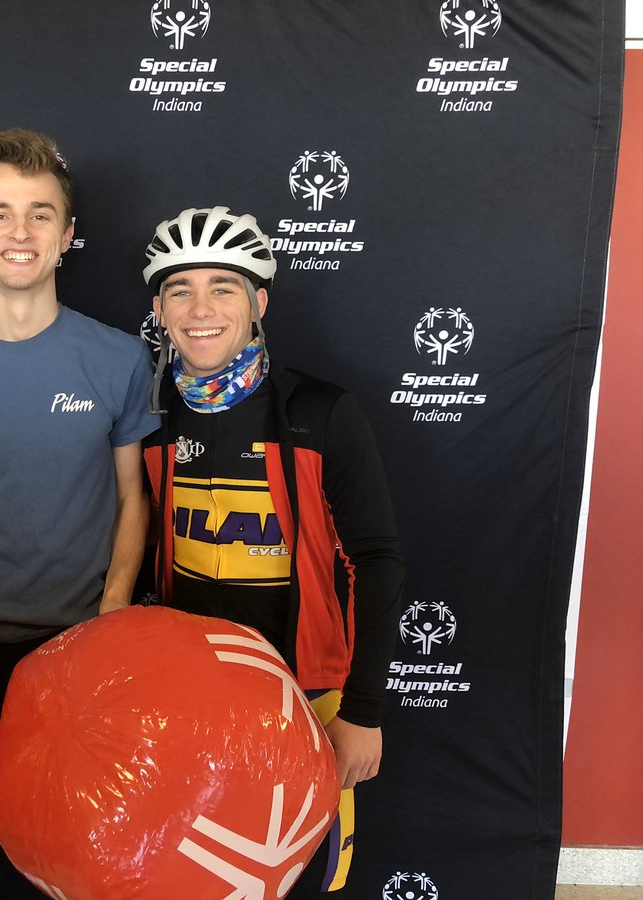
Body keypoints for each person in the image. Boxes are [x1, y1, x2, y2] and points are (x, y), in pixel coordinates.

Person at [0, 128, 159, 898]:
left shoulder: (118, 358)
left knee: (86, 851)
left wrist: (113, 610)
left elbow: (132, 495)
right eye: (0, 213)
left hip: (81, 646)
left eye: (41, 214)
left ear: (67, 234)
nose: (21, 232)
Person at [140, 206, 404, 895]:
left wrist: (363, 711)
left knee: (302, 875)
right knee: (196, 873)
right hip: (193, 694)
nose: (200, 309)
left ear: (258, 302)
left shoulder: (321, 411)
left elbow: (376, 562)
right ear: (159, 310)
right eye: (180, 290)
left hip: (307, 697)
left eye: (222, 288)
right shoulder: (148, 415)